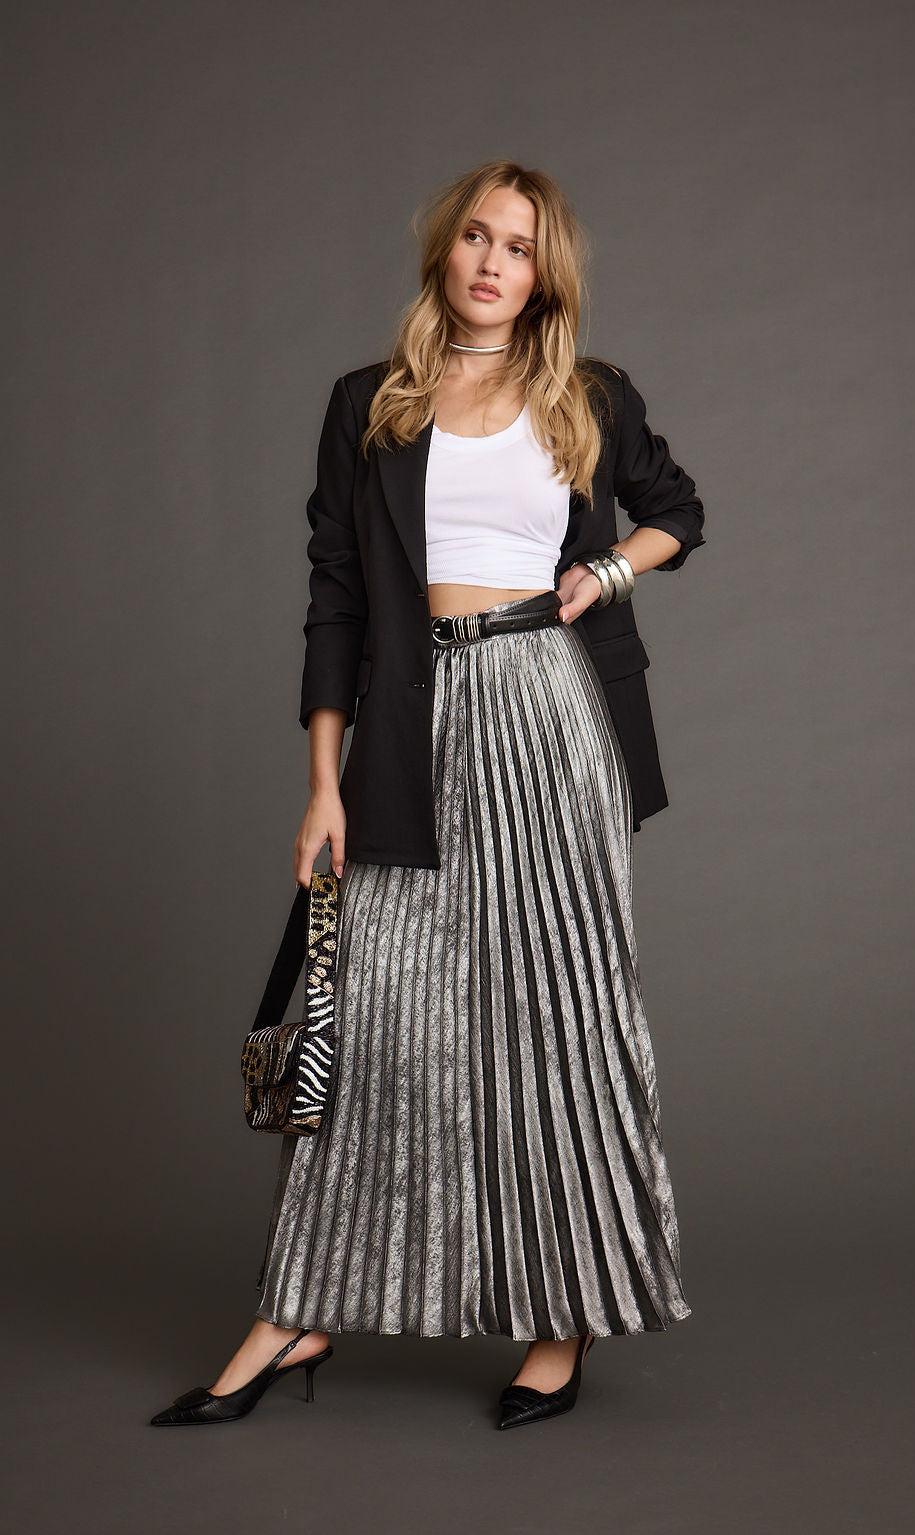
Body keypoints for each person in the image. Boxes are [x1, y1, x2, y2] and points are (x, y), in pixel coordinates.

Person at [151, 158, 707, 1433]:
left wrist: (606, 574)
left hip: (548, 715)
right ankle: (299, 1308)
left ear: (544, 274)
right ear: (442, 250)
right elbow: (336, 598)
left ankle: (563, 1314)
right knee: (379, 1021)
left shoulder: (587, 395)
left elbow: (677, 511)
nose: (494, 262)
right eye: (477, 236)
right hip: (410, 727)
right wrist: (321, 783)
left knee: (559, 1016)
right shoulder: (368, 403)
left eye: (520, 246)